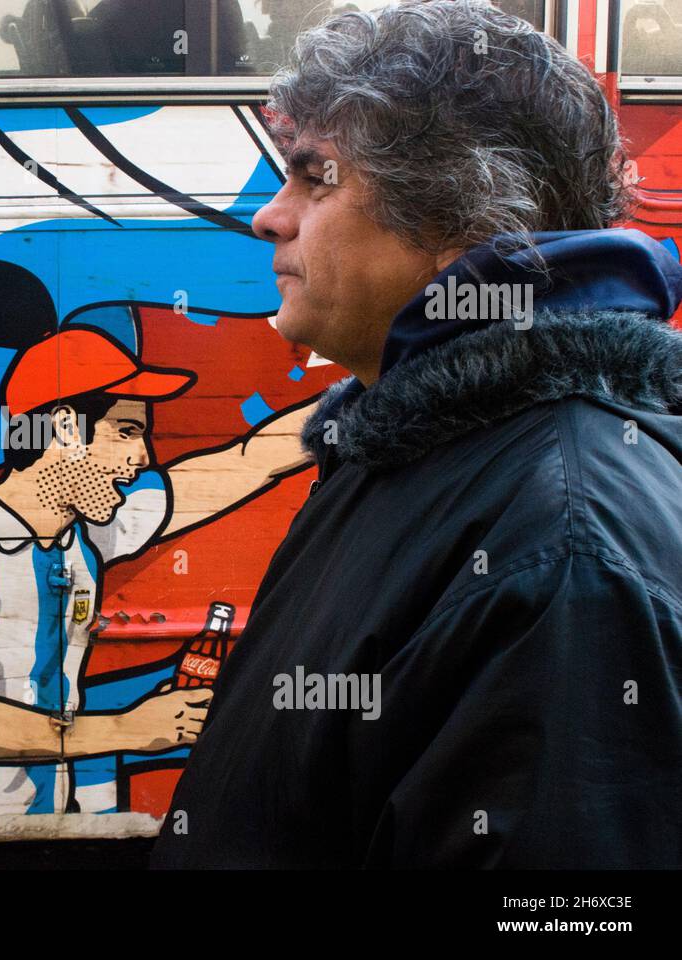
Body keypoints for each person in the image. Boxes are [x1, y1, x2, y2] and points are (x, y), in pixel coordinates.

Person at [152, 0, 682, 868]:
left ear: (451, 212)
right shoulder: (412, 449)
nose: (269, 217)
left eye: (314, 178)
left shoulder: (565, 548)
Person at [0, 327, 316, 815]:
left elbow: (247, 462)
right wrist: (132, 728)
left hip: (47, 821)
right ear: (64, 427)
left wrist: (366, 388)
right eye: (126, 431)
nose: (143, 457)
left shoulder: (88, 533)